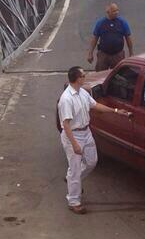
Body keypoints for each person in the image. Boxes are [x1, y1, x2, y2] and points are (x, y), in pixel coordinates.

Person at [58, 66, 130, 214]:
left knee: (91, 161)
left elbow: (95, 105)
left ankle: (72, 179)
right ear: (78, 79)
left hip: (86, 132)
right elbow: (65, 125)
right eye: (84, 75)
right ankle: (74, 201)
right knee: (75, 169)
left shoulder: (82, 92)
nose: (86, 77)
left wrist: (116, 111)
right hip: (74, 135)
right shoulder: (66, 99)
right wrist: (75, 144)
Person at [87, 3, 133, 72]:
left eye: (117, 10)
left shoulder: (122, 22)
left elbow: (128, 38)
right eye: (114, 11)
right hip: (103, 55)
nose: (117, 12)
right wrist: (90, 53)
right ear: (108, 12)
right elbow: (94, 39)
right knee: (100, 74)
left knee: (119, 74)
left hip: (118, 55)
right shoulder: (100, 23)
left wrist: (131, 53)